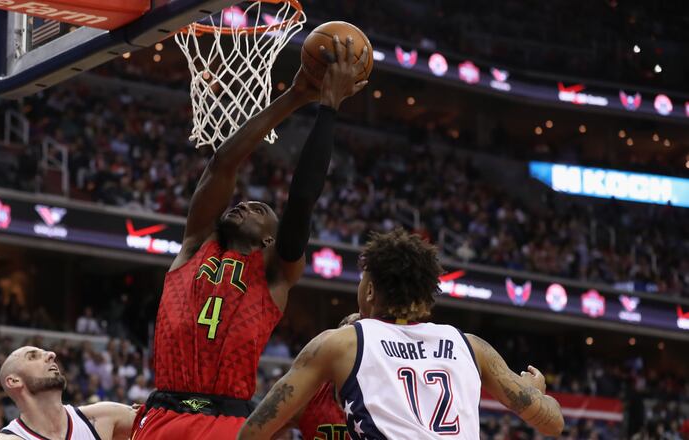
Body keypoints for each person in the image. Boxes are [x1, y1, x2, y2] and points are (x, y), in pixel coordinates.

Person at [131, 35, 370, 440]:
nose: (243, 205)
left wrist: (327, 111)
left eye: (259, 210)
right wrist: (294, 96)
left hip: (230, 421)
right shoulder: (194, 247)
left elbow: (302, 201)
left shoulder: (274, 274)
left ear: (270, 241)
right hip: (164, 413)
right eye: (241, 204)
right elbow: (223, 163)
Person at [238, 229, 565, 439]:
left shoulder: (342, 342)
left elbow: (253, 432)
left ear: (370, 292)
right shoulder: (470, 346)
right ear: (426, 297)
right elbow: (553, 424)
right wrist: (536, 394)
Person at [0, 346, 136, 440]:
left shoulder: (104, 417)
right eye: (32, 356)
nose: (51, 354)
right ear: (14, 381)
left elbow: (155, 418)